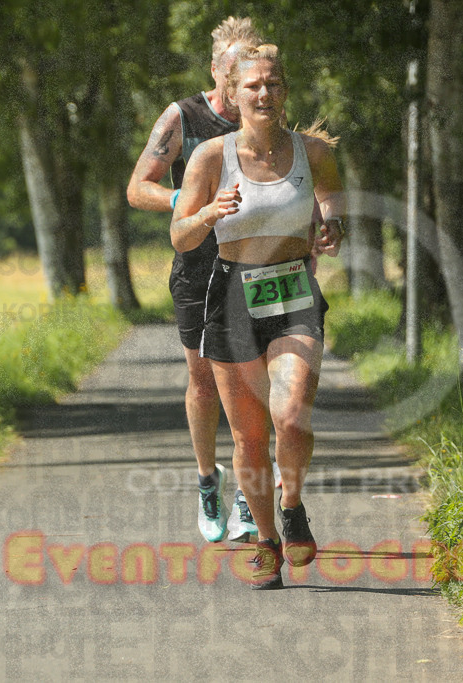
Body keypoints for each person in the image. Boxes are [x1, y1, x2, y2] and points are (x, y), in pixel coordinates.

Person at [170, 44, 345, 589]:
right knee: (248, 438)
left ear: (285, 89)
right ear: (234, 94)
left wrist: (333, 223)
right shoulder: (210, 158)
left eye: (273, 83)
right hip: (231, 298)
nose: (264, 93)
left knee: (291, 417)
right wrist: (207, 212)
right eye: (253, 86)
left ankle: (291, 505)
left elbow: (332, 193)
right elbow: (180, 234)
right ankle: (267, 541)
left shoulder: (311, 151)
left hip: (294, 292)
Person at [126, 17, 267, 544]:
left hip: (255, 265)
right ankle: (208, 480)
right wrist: (194, 205)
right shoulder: (183, 117)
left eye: (249, 72)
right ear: (215, 69)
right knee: (206, 382)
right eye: (232, 71)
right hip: (197, 266)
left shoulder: (264, 116)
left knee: (254, 387)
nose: (242, 83)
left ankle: (250, 500)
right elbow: (138, 187)